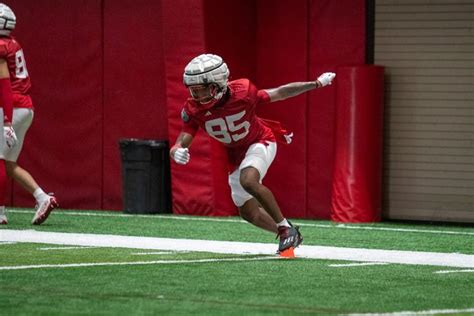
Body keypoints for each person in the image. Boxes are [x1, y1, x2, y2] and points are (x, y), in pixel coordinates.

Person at [170, 53, 335, 254]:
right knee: (248, 212)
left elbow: (280, 93)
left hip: (260, 140)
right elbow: (183, 137)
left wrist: (316, 83)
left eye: (202, 90)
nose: (197, 97)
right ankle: (291, 232)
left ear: (218, 84)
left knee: (248, 180)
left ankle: (285, 228)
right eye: (193, 91)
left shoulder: (243, 92)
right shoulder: (193, 109)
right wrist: (176, 151)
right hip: (235, 154)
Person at [0, 3, 58, 225]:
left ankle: (0, 212)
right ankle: (42, 197)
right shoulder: (12, 43)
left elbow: (4, 87)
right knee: (8, 165)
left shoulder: (2, 47)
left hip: (11, 107)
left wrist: (6, 120)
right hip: (24, 107)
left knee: (0, 160)